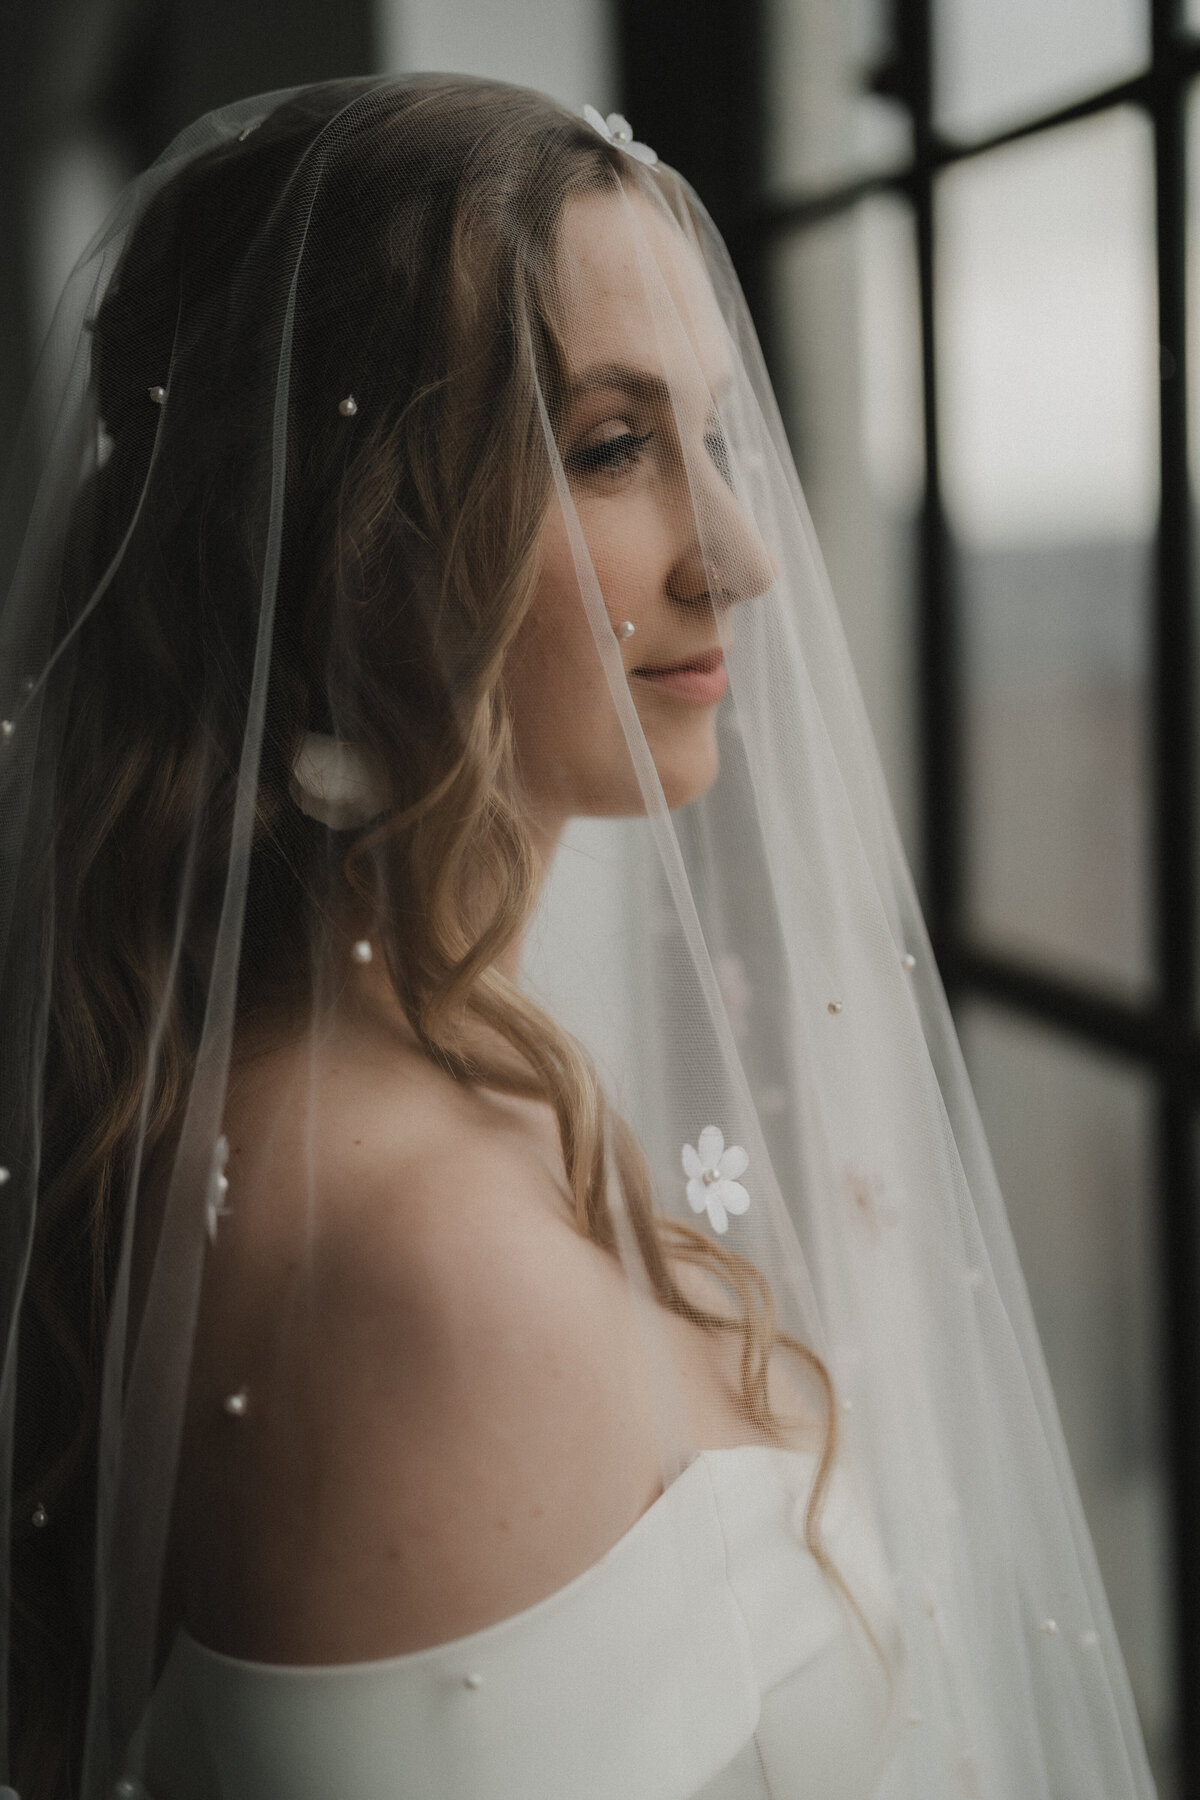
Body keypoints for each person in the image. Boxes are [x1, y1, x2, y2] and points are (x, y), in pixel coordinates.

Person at [0, 74, 1157, 1800]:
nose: (744, 556)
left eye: (714, 439)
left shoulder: (334, 1091)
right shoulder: (422, 1264)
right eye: (613, 446)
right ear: (345, 534)